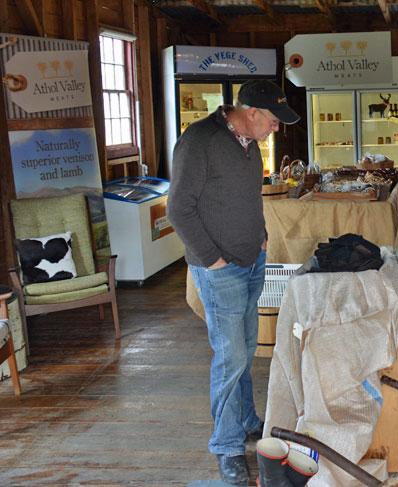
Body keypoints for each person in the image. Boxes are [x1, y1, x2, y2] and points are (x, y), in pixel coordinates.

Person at [168, 80, 299, 485]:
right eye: (273, 120)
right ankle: (225, 445)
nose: (276, 128)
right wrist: (214, 261)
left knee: (242, 350)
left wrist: (261, 237)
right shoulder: (200, 141)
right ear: (252, 113)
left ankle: (246, 421)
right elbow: (179, 209)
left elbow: (249, 196)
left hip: (251, 259)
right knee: (230, 358)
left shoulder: (249, 142)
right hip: (219, 269)